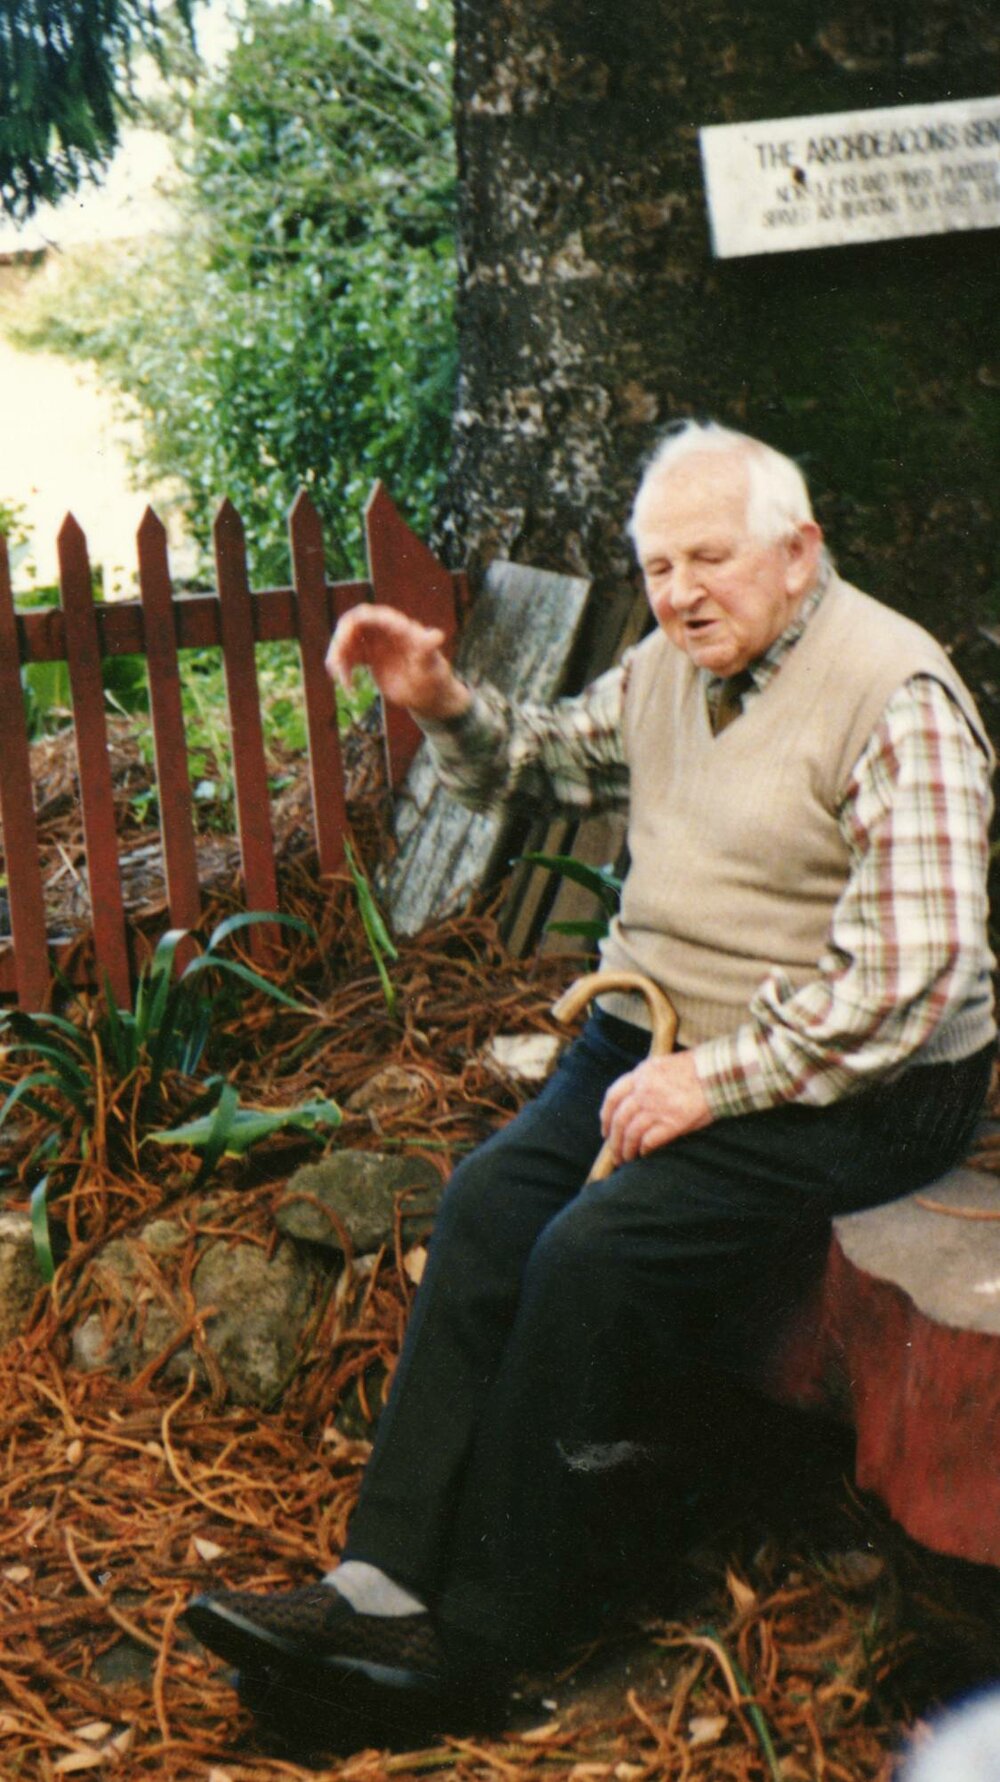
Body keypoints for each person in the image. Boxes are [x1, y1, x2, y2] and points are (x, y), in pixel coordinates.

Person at [184, 421, 996, 1744]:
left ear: (800, 553)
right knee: (490, 1204)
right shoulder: (671, 664)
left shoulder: (893, 693)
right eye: (659, 565)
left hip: (864, 1078)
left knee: (592, 1253)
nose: (681, 593)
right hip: (663, 1036)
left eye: (711, 559)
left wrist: (717, 1082)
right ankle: (378, 1589)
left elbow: (913, 975)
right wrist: (443, 700)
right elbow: (546, 761)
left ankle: (487, 1638)